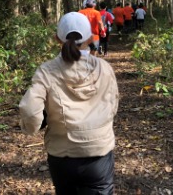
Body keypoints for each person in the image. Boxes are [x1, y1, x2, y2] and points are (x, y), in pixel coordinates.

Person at [19, 12, 119, 194]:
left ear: (58, 38)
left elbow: (30, 109)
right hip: (98, 154)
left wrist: (31, 128)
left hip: (62, 155)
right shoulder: (104, 69)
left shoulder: (46, 71)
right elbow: (113, 105)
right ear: (89, 38)